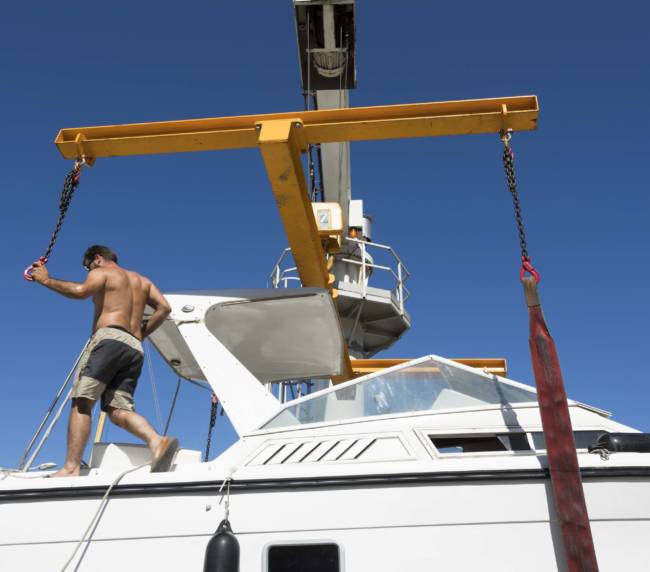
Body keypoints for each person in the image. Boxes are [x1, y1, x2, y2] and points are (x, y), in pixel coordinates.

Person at [31, 245, 178, 476]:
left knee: (83, 400)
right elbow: (164, 308)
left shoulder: (104, 272)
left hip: (108, 339)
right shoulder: (143, 281)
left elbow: (80, 291)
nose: (88, 270)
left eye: (88, 266)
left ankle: (70, 468)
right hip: (134, 347)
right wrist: (142, 333)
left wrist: (46, 280)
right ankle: (157, 441)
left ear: (97, 259)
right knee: (116, 409)